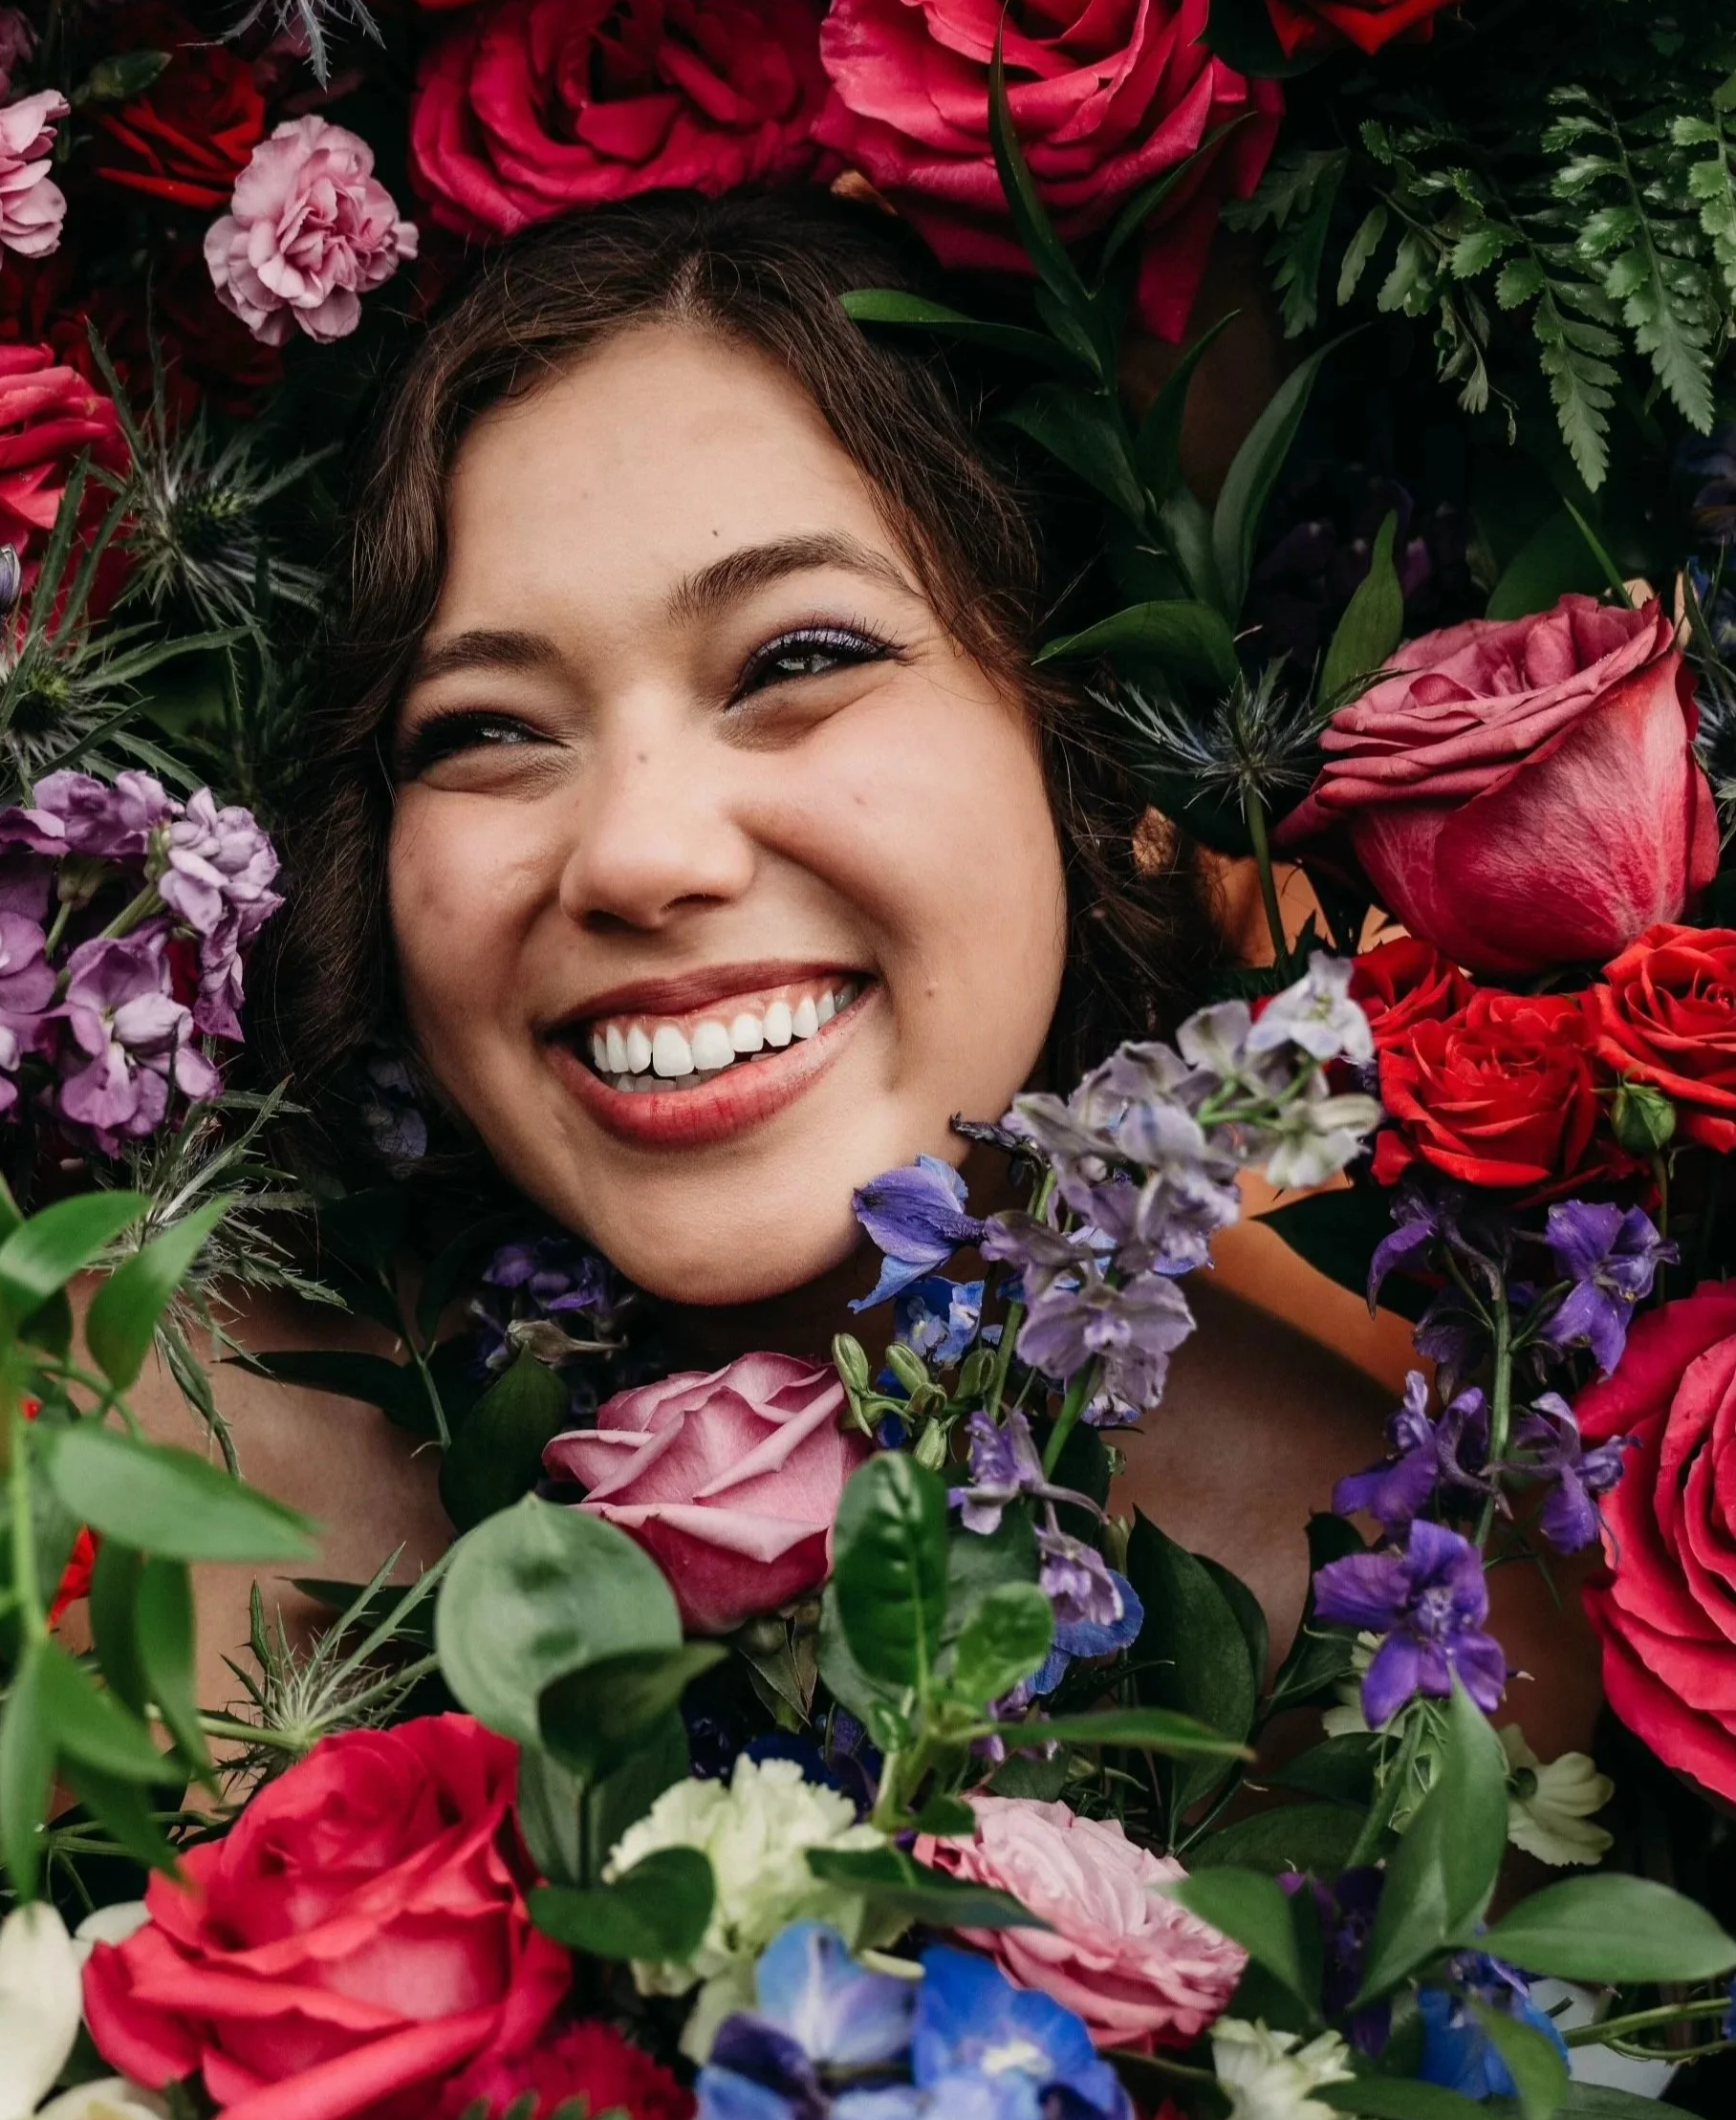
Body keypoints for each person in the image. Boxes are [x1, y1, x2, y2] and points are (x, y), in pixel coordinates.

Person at [139, 188, 1598, 1753]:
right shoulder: (139, 1472)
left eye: (797, 662)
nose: (637, 855)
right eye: (486, 730)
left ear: (1083, 739)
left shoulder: (1402, 1615)